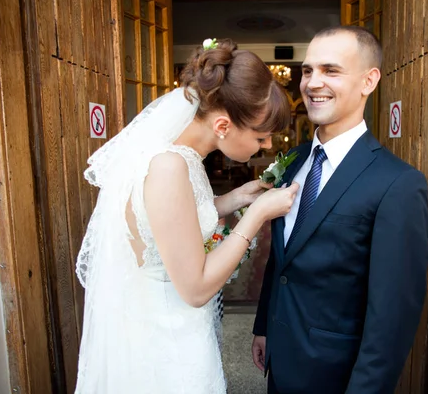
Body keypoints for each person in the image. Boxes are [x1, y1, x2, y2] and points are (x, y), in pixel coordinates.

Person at [73, 38, 299, 394]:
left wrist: (236, 197)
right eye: (261, 137)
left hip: (180, 325)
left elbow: (177, 220)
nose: (268, 147)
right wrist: (255, 215)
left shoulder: (184, 157)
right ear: (223, 126)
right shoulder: (167, 167)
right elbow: (195, 289)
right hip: (163, 338)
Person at [251, 26, 428, 393]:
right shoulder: (294, 160)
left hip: (336, 376)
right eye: (308, 71)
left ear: (369, 81)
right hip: (281, 359)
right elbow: (283, 258)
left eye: (331, 71)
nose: (313, 83)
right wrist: (265, 326)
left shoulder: (398, 184)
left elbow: (392, 318)